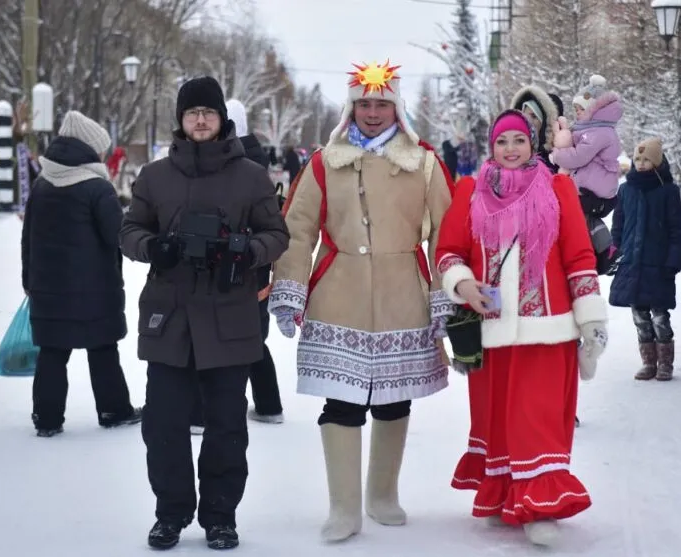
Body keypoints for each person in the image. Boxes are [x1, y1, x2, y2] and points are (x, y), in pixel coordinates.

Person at [267, 60, 454, 543]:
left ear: (397, 107)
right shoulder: (324, 161)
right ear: (351, 108)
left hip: (402, 295)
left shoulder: (425, 161)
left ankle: (382, 496)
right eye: (364, 104)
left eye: (382, 103)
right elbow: (297, 230)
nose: (373, 112)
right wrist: (290, 288)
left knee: (393, 401)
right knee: (342, 402)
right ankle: (344, 507)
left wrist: (443, 296)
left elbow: (448, 237)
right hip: (339, 295)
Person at [119, 76, 289, 550]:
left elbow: (277, 235)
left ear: (221, 119)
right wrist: (156, 246)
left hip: (228, 315)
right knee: (163, 424)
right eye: (192, 113)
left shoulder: (251, 176)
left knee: (227, 426)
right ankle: (170, 513)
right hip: (170, 317)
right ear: (180, 119)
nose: (199, 120)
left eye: (208, 113)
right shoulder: (155, 176)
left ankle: (220, 516)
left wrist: (245, 251)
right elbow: (129, 230)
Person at [436, 110, 608, 547]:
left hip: (547, 329)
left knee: (538, 417)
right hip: (491, 333)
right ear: (491, 148)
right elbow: (448, 252)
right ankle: (503, 493)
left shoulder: (557, 189)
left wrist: (590, 319)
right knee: (496, 418)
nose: (510, 149)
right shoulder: (470, 192)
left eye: (518, 141)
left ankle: (540, 506)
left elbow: (579, 257)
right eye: (501, 142)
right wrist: (463, 283)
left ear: (532, 146)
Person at [21, 110, 140, 438]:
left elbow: (27, 237)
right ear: (88, 149)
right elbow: (116, 234)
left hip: (47, 291)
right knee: (103, 350)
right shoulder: (97, 188)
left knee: (52, 354)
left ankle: (47, 419)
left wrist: (29, 281)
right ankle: (113, 409)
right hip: (94, 291)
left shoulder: (42, 184)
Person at [187, 98, 284, 435]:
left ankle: (200, 414)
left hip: (226, 260)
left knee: (208, 338)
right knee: (252, 338)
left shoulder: (228, 162)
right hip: (254, 263)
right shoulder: (258, 161)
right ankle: (269, 404)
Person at [609, 137, 681, 381]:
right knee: (639, 315)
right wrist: (615, 252)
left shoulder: (667, 191)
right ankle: (648, 362)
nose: (641, 164)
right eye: (638, 159)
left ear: (657, 162)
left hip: (658, 263)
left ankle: (665, 362)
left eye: (647, 160)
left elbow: (677, 230)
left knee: (660, 315)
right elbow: (618, 226)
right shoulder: (626, 190)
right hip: (632, 262)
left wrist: (673, 260)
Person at [550, 74, 622, 219]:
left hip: (595, 188)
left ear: (595, 111)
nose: (577, 113)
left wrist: (557, 155)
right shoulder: (594, 129)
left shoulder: (599, 132)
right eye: (575, 109)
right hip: (592, 188)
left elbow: (579, 157)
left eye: (581, 109)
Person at [509, 84, 564, 172]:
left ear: (544, 124)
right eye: (524, 116)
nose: (528, 120)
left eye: (534, 116)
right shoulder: (511, 152)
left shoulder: (555, 157)